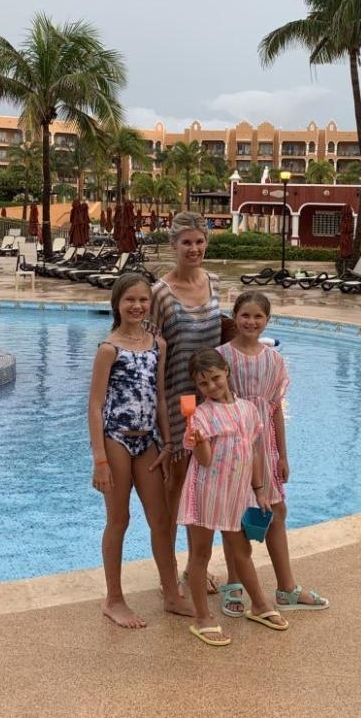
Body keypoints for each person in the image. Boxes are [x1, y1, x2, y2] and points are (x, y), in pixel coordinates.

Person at [87, 273, 193, 628]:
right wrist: (99, 459)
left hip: (148, 441)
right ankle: (114, 599)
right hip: (117, 439)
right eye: (129, 300)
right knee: (119, 519)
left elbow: (161, 397)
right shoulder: (108, 349)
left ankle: (171, 593)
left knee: (161, 519)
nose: (137, 306)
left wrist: (166, 443)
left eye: (143, 300)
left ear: (151, 303)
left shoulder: (157, 345)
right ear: (117, 304)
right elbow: (95, 405)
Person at [218, 291, 329, 613]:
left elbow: (276, 409)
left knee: (277, 512)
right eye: (245, 315)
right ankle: (234, 583)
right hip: (234, 443)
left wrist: (283, 454)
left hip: (264, 444)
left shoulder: (274, 360)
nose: (251, 322)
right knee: (235, 516)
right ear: (234, 316)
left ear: (268, 321)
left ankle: (286, 588)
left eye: (258, 317)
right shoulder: (222, 355)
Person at [179, 347, 289, 646]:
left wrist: (259, 490)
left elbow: (253, 451)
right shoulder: (201, 415)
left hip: (238, 494)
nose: (211, 386)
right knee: (200, 554)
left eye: (215, 378)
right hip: (206, 493)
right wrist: (199, 441)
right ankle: (202, 617)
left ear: (226, 372)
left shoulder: (248, 410)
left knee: (242, 552)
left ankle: (260, 605)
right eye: (203, 384)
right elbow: (203, 460)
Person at [149, 212, 227, 593]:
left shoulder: (214, 282)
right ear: (173, 246)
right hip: (176, 403)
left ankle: (196, 568)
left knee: (207, 490)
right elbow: (151, 353)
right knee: (174, 492)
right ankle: (171, 574)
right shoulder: (160, 293)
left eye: (199, 241)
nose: (194, 249)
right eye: (186, 243)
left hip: (212, 404)